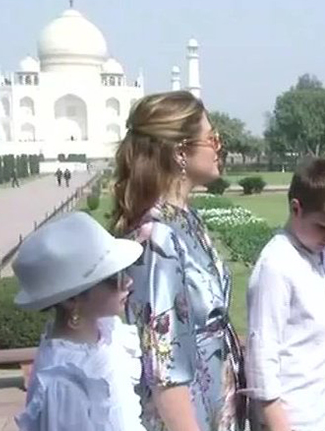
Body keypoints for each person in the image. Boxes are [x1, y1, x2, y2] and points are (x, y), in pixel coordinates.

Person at [111, 91, 246, 431]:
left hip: (216, 400)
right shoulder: (159, 237)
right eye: (212, 138)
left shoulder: (185, 220)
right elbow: (163, 365)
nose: (219, 147)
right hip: (189, 416)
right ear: (181, 151)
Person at [246, 157, 325, 431]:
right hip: (292, 419)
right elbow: (262, 356)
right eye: (323, 227)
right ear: (295, 208)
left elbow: (324, 344)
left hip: (323, 412)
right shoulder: (276, 266)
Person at [13, 212, 146, 431]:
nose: (129, 282)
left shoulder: (105, 334)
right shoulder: (64, 384)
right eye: (115, 278)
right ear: (72, 299)